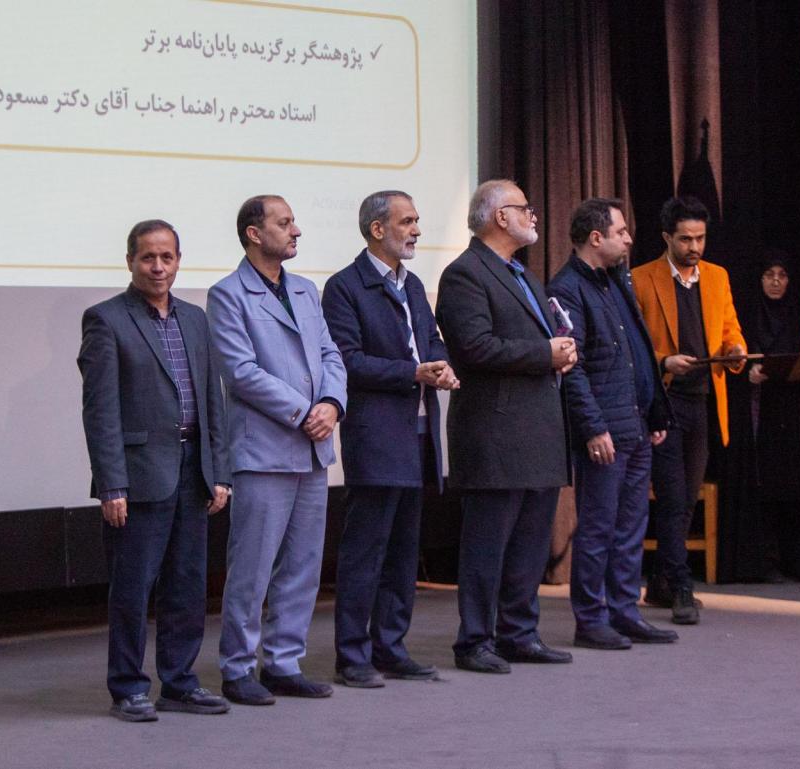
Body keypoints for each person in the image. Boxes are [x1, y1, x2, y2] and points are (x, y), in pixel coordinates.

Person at [77, 219, 232, 722]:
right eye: (148, 257)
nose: (158, 267)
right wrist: (111, 484)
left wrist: (220, 472)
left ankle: (180, 683)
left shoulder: (196, 319)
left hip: (193, 470)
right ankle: (127, 688)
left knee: (187, 585)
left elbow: (212, 400)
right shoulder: (106, 319)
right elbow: (100, 411)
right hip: (139, 474)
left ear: (179, 261)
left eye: (167, 257)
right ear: (130, 261)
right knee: (133, 588)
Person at [207, 194, 347, 705]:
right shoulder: (228, 295)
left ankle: (284, 663)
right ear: (254, 233)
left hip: (312, 449)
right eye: (285, 223)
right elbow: (240, 371)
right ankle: (238, 667)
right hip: (264, 450)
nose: (296, 231)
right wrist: (304, 411)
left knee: (304, 565)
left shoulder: (306, 290)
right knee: (252, 567)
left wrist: (332, 404)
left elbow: (331, 354)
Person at [435, 179, 577, 674]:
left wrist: (561, 352)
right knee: (487, 546)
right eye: (524, 208)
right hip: (494, 435)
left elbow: (539, 341)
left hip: (538, 432)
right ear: (500, 217)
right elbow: (473, 348)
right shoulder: (465, 274)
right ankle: (474, 641)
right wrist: (544, 353)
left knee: (530, 545)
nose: (533, 216)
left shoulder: (523, 275)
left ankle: (520, 634)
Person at [320, 190, 458, 688]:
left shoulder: (414, 284)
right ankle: (352, 656)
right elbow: (347, 361)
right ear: (377, 229)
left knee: (403, 553)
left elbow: (432, 341)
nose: (417, 230)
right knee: (366, 553)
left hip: (419, 435)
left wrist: (441, 366)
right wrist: (412, 372)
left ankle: (391, 648)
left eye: (417, 220)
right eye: (408, 221)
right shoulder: (344, 287)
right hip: (376, 436)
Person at [548, 198, 677, 651]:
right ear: (595, 237)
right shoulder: (567, 289)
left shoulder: (617, 279)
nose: (628, 239)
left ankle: (625, 612)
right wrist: (592, 427)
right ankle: (591, 619)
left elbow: (638, 352)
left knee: (630, 528)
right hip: (605, 431)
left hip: (635, 424)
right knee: (599, 528)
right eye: (621, 232)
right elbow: (572, 368)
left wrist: (654, 412)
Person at [631, 196, 746, 625]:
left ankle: (662, 582)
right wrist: (665, 361)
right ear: (667, 237)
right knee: (673, 496)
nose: (694, 246)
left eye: (700, 238)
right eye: (685, 239)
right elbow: (634, 347)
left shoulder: (717, 277)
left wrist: (736, 351)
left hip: (702, 401)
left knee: (686, 497)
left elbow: (731, 330)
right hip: (664, 402)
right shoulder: (641, 278)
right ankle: (680, 586)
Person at [742, 251, 800, 580]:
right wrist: (747, 372)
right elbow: (733, 358)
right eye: (769, 275)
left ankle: (795, 560)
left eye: (782, 275)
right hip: (759, 412)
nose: (775, 282)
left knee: (793, 483)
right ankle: (764, 560)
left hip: (792, 410)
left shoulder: (799, 317)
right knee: (763, 484)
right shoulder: (748, 317)